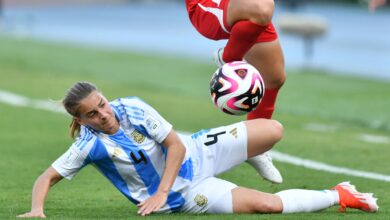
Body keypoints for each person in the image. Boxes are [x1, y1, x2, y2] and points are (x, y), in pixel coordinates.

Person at [17, 81, 378, 218]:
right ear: (81, 121)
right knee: (268, 205)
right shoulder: (88, 146)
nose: (104, 114)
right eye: (92, 114)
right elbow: (46, 177)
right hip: (184, 196)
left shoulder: (133, 107)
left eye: (103, 104)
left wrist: (157, 190)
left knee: (273, 130)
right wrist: (37, 210)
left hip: (193, 153)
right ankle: (340, 194)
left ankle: (250, 152)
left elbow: (174, 145)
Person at [185, 0, 285, 183]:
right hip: (208, 5)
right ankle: (228, 57)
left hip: (243, 7)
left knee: (273, 78)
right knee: (263, 8)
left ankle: (256, 147)